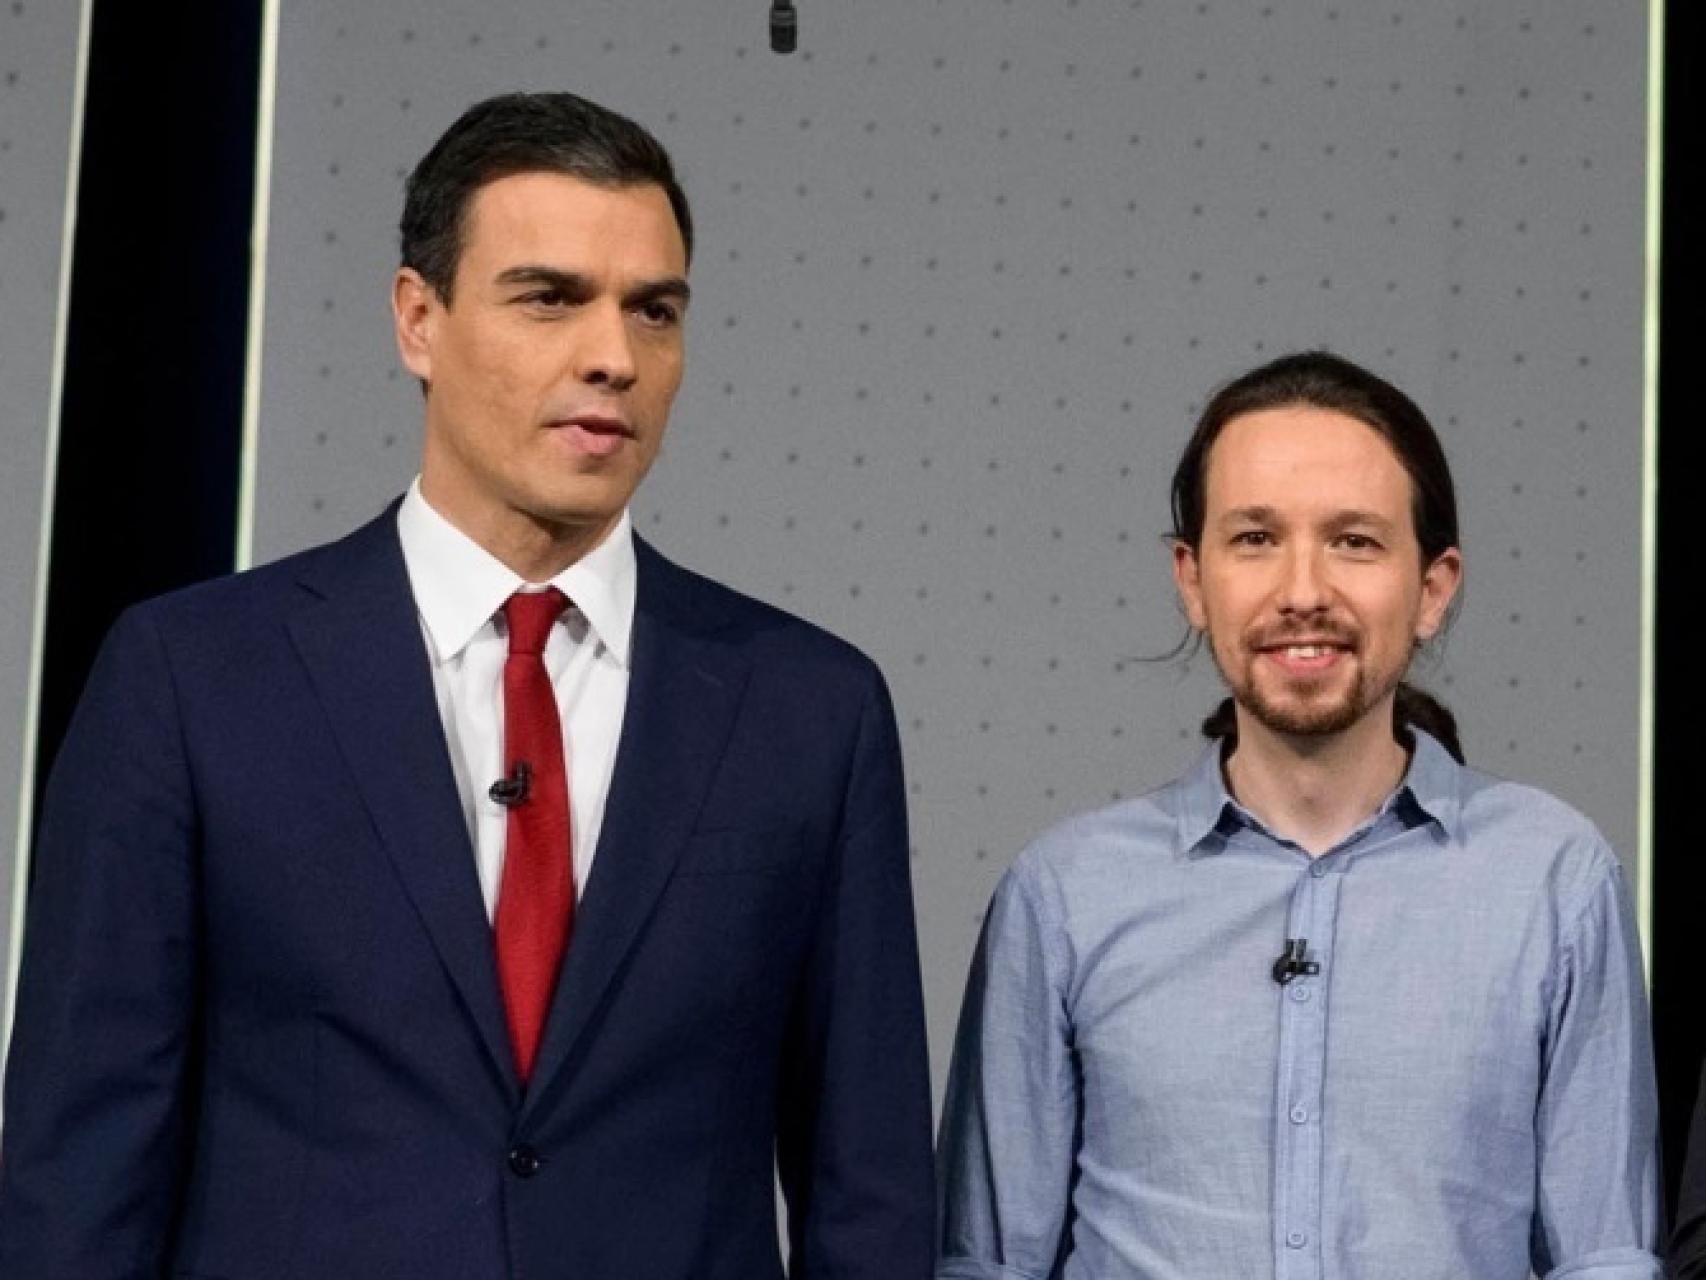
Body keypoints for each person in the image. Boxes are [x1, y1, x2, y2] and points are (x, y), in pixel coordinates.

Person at [0, 91, 934, 1279]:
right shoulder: (191, 679)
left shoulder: (809, 710)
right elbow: (79, 1169)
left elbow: (870, 1190)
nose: (613, 356)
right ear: (417, 320)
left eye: (653, 310)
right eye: (549, 297)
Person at [935, 351, 1661, 1279]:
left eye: (1354, 541)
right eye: (1255, 538)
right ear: (1192, 580)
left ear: (1433, 588)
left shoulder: (1555, 880)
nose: (1303, 591)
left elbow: (1605, 1258)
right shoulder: (1064, 895)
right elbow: (988, 1263)